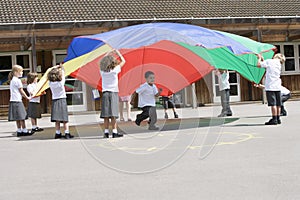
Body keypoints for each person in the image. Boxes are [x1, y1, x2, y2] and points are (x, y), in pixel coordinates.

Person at [100, 50, 125, 138]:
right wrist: (118, 53)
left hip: (105, 93)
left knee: (106, 114)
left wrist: (107, 53)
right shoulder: (115, 69)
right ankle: (114, 132)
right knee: (113, 114)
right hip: (113, 92)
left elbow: (102, 60)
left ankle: (106, 132)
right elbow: (123, 61)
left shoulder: (102, 71)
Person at [257, 53, 286, 125]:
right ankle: (278, 118)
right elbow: (267, 65)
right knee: (278, 104)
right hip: (277, 86)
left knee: (273, 103)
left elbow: (259, 65)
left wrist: (259, 58)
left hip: (270, 86)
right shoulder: (278, 64)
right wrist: (263, 60)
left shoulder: (269, 61)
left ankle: (274, 119)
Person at [48, 64, 73, 139]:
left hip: (55, 100)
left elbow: (49, 71)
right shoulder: (61, 83)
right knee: (64, 118)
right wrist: (61, 67)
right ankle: (67, 133)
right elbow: (63, 73)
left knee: (57, 119)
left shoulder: (50, 83)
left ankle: (57, 133)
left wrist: (54, 67)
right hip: (62, 100)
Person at [8, 65, 31, 137]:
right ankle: (24, 130)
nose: (22, 73)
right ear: (15, 72)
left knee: (17, 118)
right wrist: (27, 97)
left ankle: (19, 130)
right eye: (20, 71)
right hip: (18, 100)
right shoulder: (17, 81)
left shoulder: (12, 80)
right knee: (22, 116)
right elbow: (21, 91)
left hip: (13, 100)